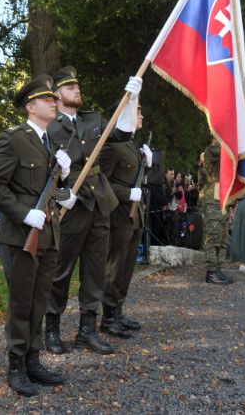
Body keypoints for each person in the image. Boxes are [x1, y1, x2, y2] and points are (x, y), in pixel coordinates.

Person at [44, 66, 141, 356]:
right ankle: (52, 329)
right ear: (57, 94)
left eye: (77, 84)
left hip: (99, 202)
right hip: (71, 203)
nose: (77, 89)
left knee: (95, 271)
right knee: (60, 270)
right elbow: (40, 171)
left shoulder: (92, 121)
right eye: (70, 86)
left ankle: (87, 330)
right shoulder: (49, 125)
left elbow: (123, 134)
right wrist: (61, 195)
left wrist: (133, 99)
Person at [0, 75, 76, 396]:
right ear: (30, 106)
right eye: (47, 100)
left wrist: (64, 176)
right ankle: (15, 365)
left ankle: (33, 360)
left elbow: (59, 193)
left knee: (39, 300)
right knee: (21, 302)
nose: (54, 103)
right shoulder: (13, 138)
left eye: (54, 99)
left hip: (49, 234)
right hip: (21, 235)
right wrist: (24, 213)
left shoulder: (51, 142)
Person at [99, 104, 152, 338]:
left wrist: (146, 167)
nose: (141, 116)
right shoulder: (112, 145)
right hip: (118, 215)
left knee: (127, 268)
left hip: (134, 216)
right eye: (138, 112)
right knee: (115, 267)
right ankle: (108, 317)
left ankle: (118, 311)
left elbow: (135, 179)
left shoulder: (131, 144)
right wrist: (127, 194)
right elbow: (102, 181)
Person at [198, 137, 233, 284]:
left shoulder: (224, 150)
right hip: (213, 200)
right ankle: (211, 272)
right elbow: (222, 152)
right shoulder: (211, 150)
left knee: (222, 237)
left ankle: (218, 268)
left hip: (223, 199)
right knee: (213, 235)